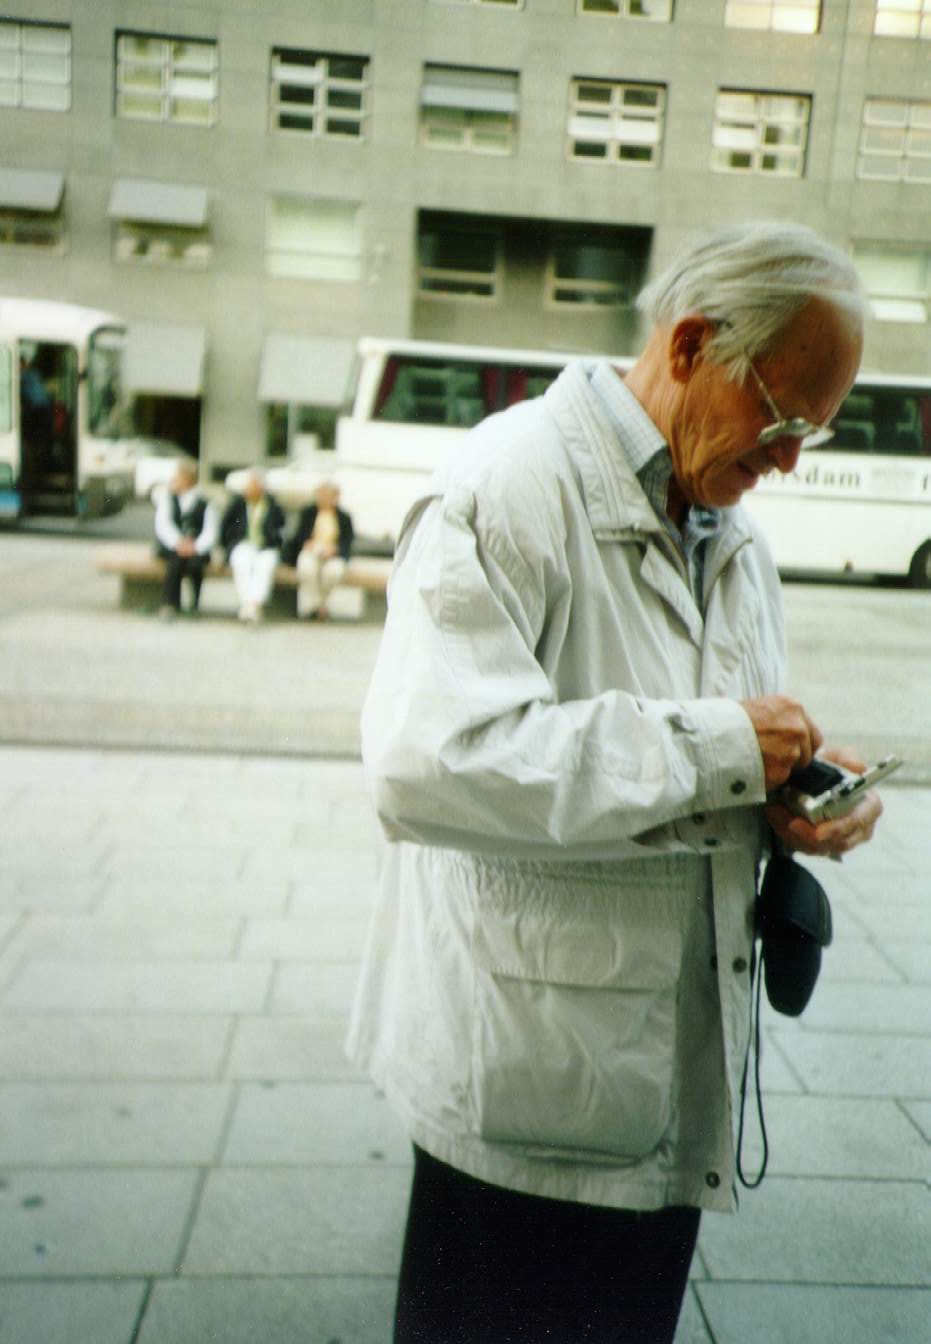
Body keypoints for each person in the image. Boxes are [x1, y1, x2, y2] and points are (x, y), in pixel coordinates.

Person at [347, 221, 885, 1344]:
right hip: (526, 1093)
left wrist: (786, 797)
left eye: (812, 432)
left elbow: (702, 753)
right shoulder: (507, 485)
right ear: (688, 346)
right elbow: (426, 765)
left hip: (663, 1091)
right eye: (782, 421)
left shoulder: (732, 532)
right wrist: (718, 748)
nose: (790, 461)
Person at [153, 462, 218, 619]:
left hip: (196, 548)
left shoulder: (205, 503)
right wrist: (178, 543)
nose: (173, 481)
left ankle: (194, 604)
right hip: (173, 546)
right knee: (174, 563)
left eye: (177, 478)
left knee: (195, 565)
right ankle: (170, 604)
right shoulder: (167, 500)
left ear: (188, 481)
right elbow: (163, 525)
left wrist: (196, 546)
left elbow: (210, 531)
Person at [220, 469, 285, 623]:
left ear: (262, 488)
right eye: (248, 486)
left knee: (265, 566)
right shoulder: (238, 504)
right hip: (243, 544)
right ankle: (249, 605)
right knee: (241, 562)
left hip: (266, 547)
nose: (249, 490)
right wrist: (228, 545)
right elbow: (225, 527)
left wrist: (274, 541)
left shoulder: (273, 505)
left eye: (254, 486)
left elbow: (281, 528)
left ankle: (253, 604)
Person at [284, 482, 354, 620]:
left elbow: (347, 542)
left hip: (333, 555)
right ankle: (321, 606)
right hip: (311, 552)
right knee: (306, 568)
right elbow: (298, 537)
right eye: (322, 495)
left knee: (333, 572)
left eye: (329, 496)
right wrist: (308, 544)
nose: (325, 499)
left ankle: (318, 607)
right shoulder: (308, 513)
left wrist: (334, 549)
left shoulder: (344, 517)